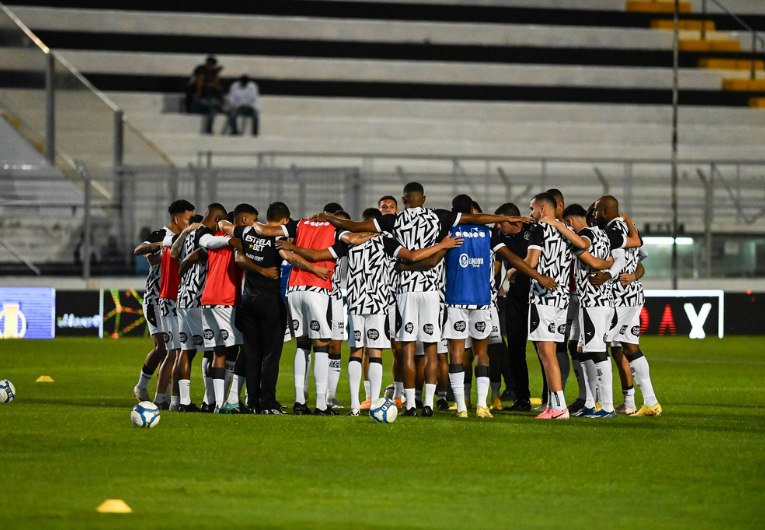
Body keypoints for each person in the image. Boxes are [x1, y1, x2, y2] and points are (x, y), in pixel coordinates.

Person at [315, 182, 532, 416]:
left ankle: (410, 404)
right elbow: (475, 219)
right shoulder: (438, 216)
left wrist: (327, 217)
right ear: (424, 198)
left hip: (405, 291)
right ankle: (428, 404)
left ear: (404, 199)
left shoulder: (393, 220)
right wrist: (509, 218)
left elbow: (353, 225)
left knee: (407, 349)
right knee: (431, 350)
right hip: (432, 292)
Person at [278, 209, 462, 416]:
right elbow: (412, 256)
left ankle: (356, 405)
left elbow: (316, 255)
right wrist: (442, 246)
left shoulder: (349, 242)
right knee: (375, 353)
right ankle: (375, 403)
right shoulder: (385, 241)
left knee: (356, 352)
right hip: (379, 303)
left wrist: (292, 248)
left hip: (356, 302)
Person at [591, 195, 662, 417]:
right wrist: (634, 275)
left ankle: (602, 404)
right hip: (633, 295)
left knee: (597, 344)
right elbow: (642, 254)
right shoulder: (630, 228)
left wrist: (607, 275)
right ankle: (648, 402)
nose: (594, 215)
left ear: (604, 212)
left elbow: (619, 260)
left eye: (595, 211)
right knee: (629, 347)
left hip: (619, 297)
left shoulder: (612, 232)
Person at [524, 193, 588, 419]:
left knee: (546, 353)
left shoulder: (538, 229)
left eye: (532, 208)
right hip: (562, 299)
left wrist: (514, 268)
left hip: (543, 298)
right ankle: (553, 404)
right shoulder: (563, 229)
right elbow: (584, 244)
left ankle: (559, 407)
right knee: (550, 352)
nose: (530, 213)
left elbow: (531, 263)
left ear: (542, 208)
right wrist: (558, 225)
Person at [553, 204, 617, 418]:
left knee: (598, 352)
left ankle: (607, 406)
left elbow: (583, 245)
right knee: (584, 351)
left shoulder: (585, 234)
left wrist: (556, 226)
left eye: (564, 223)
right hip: (599, 300)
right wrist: (607, 265)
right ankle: (590, 403)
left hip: (594, 302)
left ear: (569, 221)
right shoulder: (603, 233)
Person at [132, 200, 195, 405]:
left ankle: (164, 395)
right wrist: (162, 247)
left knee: (170, 349)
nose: (189, 223)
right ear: (176, 219)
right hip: (155, 298)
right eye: (187, 219)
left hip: (175, 298)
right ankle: (143, 387)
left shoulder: (187, 237)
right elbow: (140, 250)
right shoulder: (162, 235)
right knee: (164, 348)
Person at [186, 56, 223, 134]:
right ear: (207, 63)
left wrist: (216, 73)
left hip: (205, 102)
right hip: (195, 101)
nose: (211, 66)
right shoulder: (200, 69)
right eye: (210, 64)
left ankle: (209, 129)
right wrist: (198, 94)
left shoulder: (212, 72)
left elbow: (216, 84)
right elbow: (200, 82)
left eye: (212, 65)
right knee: (212, 105)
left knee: (212, 110)